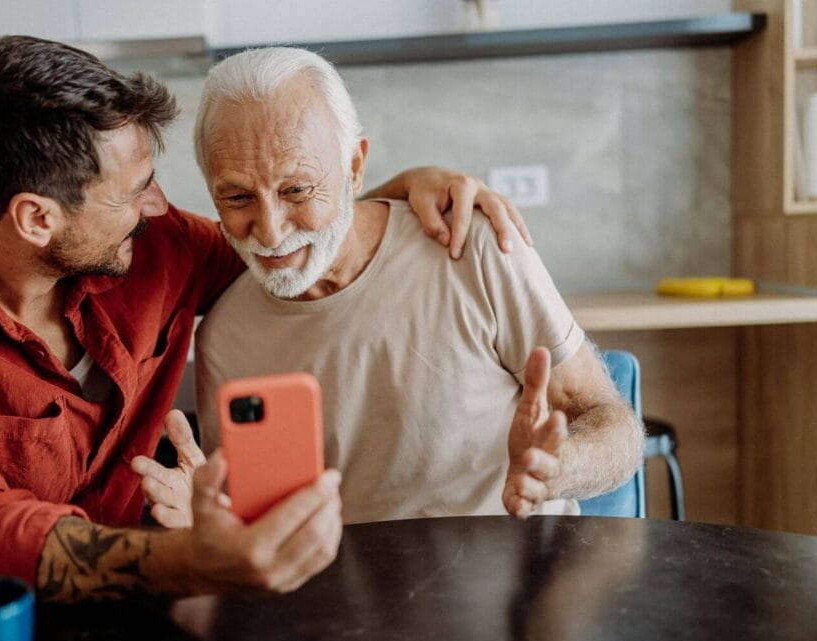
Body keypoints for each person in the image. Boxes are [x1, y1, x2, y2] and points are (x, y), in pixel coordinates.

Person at [0, 36, 525, 641]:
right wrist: (193, 560)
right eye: (134, 191)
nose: (158, 206)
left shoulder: (155, 247)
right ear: (37, 217)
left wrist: (394, 190)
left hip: (113, 629)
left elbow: (283, 245)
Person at [188, 47, 644, 525]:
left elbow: (615, 426)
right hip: (344, 598)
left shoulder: (472, 244)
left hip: (525, 578)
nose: (271, 231)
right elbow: (254, 529)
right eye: (238, 197)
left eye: (297, 190)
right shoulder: (225, 338)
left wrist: (559, 468)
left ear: (354, 167)